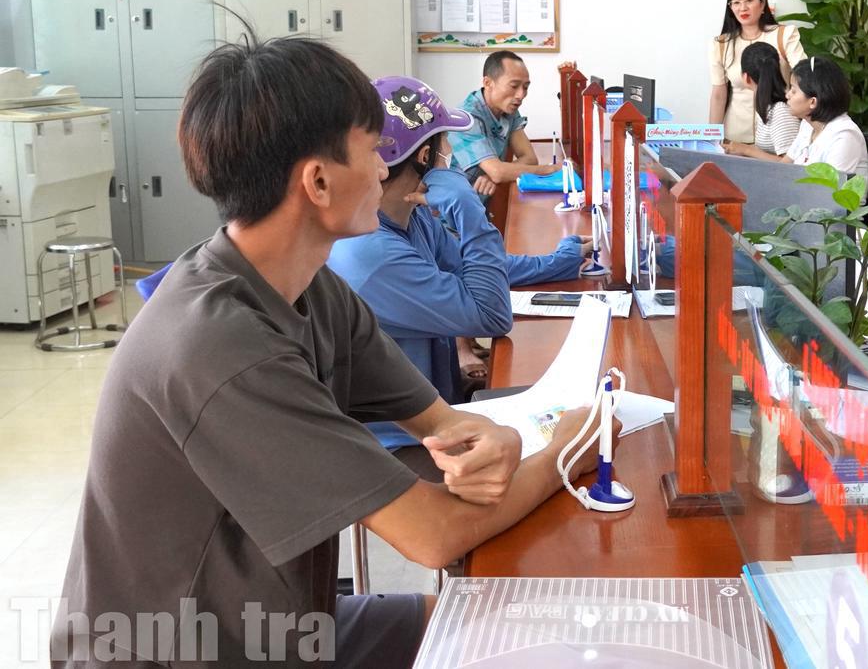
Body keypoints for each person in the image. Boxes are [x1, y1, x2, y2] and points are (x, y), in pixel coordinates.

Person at [52, 34, 611, 668]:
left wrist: (495, 441)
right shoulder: (222, 347)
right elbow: (433, 535)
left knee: (508, 630)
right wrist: (573, 444)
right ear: (318, 181)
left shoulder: (308, 285)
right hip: (181, 651)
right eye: (372, 151)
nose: (386, 171)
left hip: (277, 626)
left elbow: (445, 425)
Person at [327, 75, 581, 452]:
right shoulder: (372, 254)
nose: (451, 153)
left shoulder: (410, 216)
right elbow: (492, 315)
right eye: (445, 142)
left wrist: (562, 260)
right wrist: (467, 209)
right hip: (402, 449)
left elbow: (479, 267)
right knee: (572, 445)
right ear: (425, 157)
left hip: (442, 413)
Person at [708, 0, 806, 144]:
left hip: (779, 137)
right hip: (734, 140)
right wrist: (712, 141)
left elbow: (805, 78)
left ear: (762, 3)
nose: (743, 8)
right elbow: (718, 95)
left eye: (749, 0)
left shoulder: (785, 35)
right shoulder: (721, 44)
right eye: (736, 2)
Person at [449, 50, 557, 196]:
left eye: (525, 87)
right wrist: (551, 169)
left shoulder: (508, 109)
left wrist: (497, 174)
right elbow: (498, 172)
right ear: (487, 83)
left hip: (478, 203)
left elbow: (529, 158)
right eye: (514, 86)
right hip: (450, 206)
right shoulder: (465, 119)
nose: (521, 95)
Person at [783, 56, 868, 187]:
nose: (787, 95)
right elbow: (783, 167)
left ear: (813, 102)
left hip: (828, 199)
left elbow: (828, 191)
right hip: (800, 196)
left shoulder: (844, 135)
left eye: (793, 91)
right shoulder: (807, 125)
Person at [721, 42, 799, 161]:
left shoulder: (780, 112)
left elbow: (791, 164)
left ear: (746, 77)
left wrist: (747, 150)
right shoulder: (767, 106)